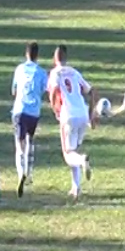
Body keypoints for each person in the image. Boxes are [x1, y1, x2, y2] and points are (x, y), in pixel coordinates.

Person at [46, 44, 96, 200]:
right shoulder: (74, 72)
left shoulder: (55, 73)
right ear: (66, 58)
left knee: (68, 155)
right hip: (82, 114)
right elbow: (92, 91)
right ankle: (76, 188)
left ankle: (82, 160)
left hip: (68, 115)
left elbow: (53, 91)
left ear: (55, 59)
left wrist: (55, 109)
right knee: (74, 148)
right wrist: (92, 114)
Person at [11, 41, 48, 198]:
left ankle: (21, 174)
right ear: (37, 55)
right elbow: (44, 90)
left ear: (26, 54)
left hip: (19, 110)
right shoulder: (41, 72)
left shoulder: (19, 69)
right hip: (34, 112)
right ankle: (29, 172)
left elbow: (13, 90)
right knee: (29, 141)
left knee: (19, 144)